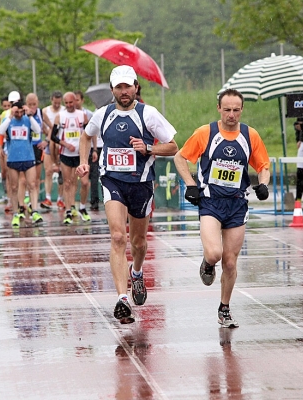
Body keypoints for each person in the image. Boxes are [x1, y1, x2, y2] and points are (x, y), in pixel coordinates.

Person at [76, 65, 178, 324]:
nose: (124, 91)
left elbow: (174, 146)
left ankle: (137, 272)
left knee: (139, 243)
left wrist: (148, 147)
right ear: (112, 90)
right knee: (118, 236)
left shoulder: (149, 114)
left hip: (141, 184)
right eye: (119, 87)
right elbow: (86, 137)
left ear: (136, 87)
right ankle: (122, 298)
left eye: (128, 86)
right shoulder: (103, 115)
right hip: (113, 182)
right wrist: (84, 161)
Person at [173, 88, 271, 328]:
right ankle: (207, 263)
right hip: (210, 202)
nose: (231, 115)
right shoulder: (206, 133)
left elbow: (263, 166)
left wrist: (263, 184)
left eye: (236, 110)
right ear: (219, 108)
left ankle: (224, 308)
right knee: (215, 254)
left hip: (237, 204)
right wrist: (190, 184)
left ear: (242, 110)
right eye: (227, 110)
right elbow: (180, 157)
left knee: (229, 262)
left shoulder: (250, 135)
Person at [0, 100, 44, 227]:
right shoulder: (9, 120)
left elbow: (38, 129)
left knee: (32, 184)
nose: (18, 114)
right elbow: (1, 131)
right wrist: (10, 116)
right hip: (13, 158)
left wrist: (29, 115)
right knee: (14, 187)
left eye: (20, 112)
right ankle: (16, 212)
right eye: (15, 111)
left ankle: (34, 210)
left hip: (28, 157)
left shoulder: (27, 120)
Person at [50, 91, 91, 224]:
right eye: (66, 103)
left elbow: (89, 134)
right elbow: (53, 136)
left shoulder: (82, 115)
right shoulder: (60, 116)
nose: (68, 105)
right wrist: (65, 144)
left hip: (80, 155)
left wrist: (94, 149)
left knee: (84, 182)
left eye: (71, 102)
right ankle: (68, 210)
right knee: (68, 183)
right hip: (66, 154)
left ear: (76, 101)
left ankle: (83, 208)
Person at [41, 91, 65, 209]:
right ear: (51, 100)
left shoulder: (64, 111)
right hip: (49, 143)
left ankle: (60, 199)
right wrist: (49, 134)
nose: (56, 105)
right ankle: (48, 198)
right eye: (55, 103)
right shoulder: (45, 111)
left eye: (58, 103)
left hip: (60, 145)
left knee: (62, 173)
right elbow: (42, 127)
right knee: (48, 171)